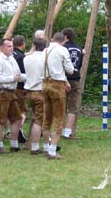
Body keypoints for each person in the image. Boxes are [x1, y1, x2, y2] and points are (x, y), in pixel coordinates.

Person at [0, 38, 26, 154]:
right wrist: (12, 78)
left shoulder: (12, 59)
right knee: (1, 120)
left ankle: (14, 144)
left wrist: (33, 76)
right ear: (1, 47)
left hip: (11, 92)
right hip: (1, 92)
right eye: (9, 46)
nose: (12, 48)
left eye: (12, 46)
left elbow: (18, 75)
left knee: (17, 118)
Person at [42, 32, 74, 160]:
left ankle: (46, 147)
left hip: (45, 84)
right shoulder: (62, 50)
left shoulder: (45, 50)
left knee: (47, 117)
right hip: (57, 86)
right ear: (64, 40)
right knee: (59, 118)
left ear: (52, 39)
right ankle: (53, 151)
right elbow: (70, 69)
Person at [24, 37, 47, 154]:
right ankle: (35, 147)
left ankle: (36, 144)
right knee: (39, 120)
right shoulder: (45, 59)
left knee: (36, 117)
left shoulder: (27, 58)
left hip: (29, 92)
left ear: (34, 45)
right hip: (40, 91)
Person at [61, 27, 84, 139]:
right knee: (72, 107)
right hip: (75, 79)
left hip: (62, 79)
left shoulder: (62, 48)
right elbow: (79, 65)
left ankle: (60, 130)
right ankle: (68, 132)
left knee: (61, 106)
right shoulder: (79, 49)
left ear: (65, 36)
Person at [12, 35, 28, 144]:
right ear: (23, 43)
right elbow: (23, 73)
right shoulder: (21, 57)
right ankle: (19, 129)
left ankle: (11, 130)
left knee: (12, 111)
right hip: (20, 87)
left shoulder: (10, 54)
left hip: (10, 86)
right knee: (22, 110)